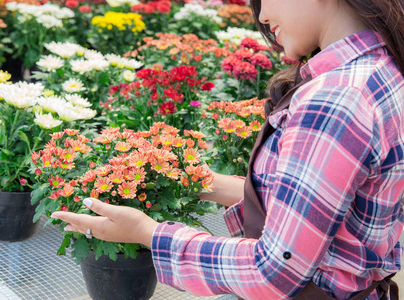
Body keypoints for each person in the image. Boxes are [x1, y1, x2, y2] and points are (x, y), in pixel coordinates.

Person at [51, 0, 404, 298]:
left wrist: (147, 233)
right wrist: (194, 180)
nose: (262, 15)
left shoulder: (335, 100)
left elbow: (274, 271)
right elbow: (317, 205)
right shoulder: (380, 73)